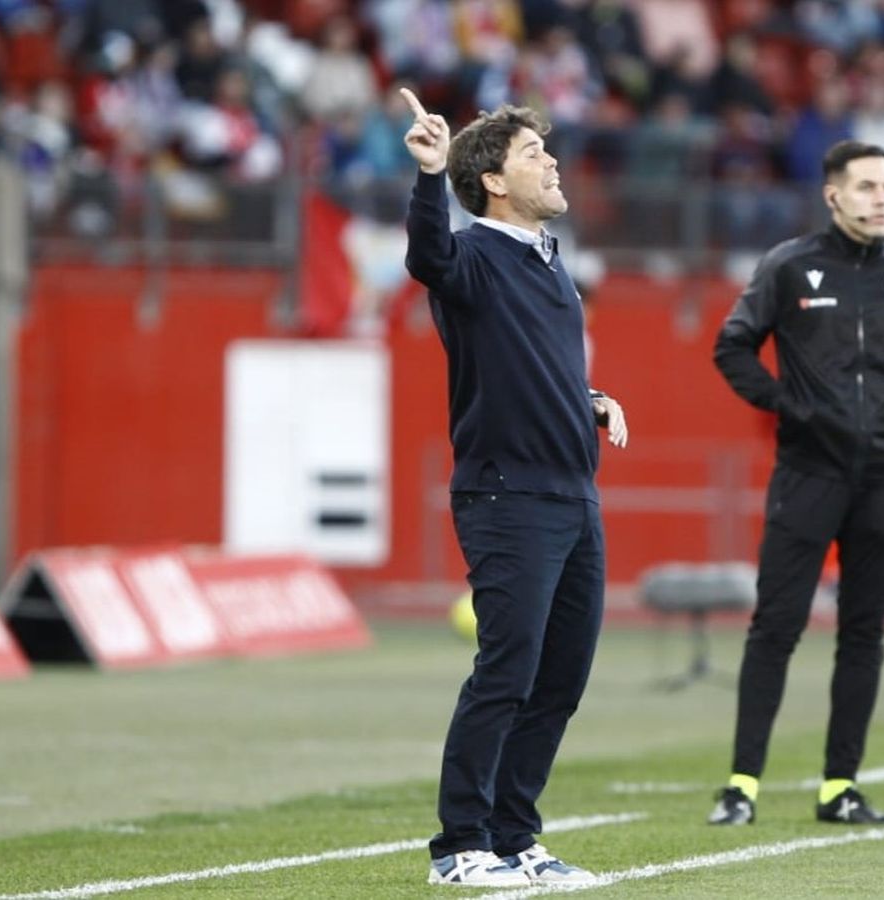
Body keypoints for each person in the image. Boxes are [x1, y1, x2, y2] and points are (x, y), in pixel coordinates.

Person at [399, 88, 629, 887]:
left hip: (574, 496)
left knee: (560, 678)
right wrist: (431, 175)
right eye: (534, 154)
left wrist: (590, 401)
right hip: (508, 497)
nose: (553, 162)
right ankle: (459, 846)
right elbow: (427, 256)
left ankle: (512, 836)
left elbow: (538, 366)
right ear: (493, 181)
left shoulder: (550, 263)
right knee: (507, 671)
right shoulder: (471, 256)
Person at [708, 140, 884, 827]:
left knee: (863, 634)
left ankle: (839, 788)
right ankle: (741, 785)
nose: (882, 198)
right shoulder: (790, 267)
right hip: (808, 475)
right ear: (833, 195)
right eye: (866, 187)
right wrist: (785, 405)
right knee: (776, 628)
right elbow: (731, 345)